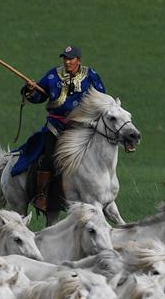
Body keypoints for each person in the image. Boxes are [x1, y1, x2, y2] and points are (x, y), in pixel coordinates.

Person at [21, 45, 107, 212]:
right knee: (49, 158)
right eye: (65, 59)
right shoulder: (53, 75)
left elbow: (102, 99)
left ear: (79, 60)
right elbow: (39, 96)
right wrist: (31, 90)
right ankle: (42, 195)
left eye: (71, 59)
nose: (67, 62)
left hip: (81, 128)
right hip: (56, 126)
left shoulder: (91, 76)